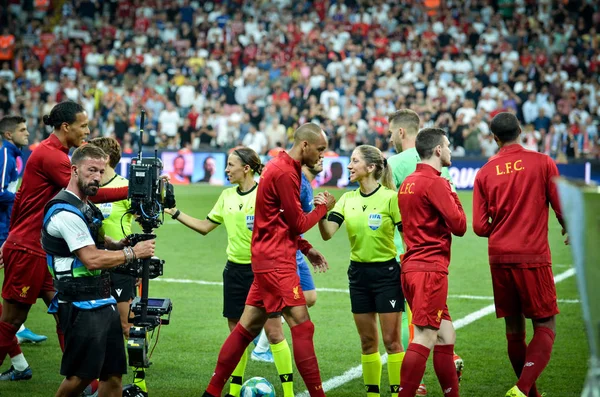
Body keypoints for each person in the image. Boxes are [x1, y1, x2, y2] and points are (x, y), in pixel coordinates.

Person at [0, 101, 128, 391]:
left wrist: (10, 236)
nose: (88, 130)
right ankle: (83, 382)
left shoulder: (48, 152)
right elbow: (90, 193)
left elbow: (20, 199)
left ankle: (86, 383)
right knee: (11, 320)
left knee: (65, 313)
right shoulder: (53, 157)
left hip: (42, 248)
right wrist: (136, 189)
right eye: (83, 125)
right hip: (31, 248)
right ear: (66, 127)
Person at [202, 123, 335, 397]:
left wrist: (305, 248)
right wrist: (323, 208)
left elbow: (275, 222)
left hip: (267, 257)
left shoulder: (281, 168)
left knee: (244, 329)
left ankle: (212, 391)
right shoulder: (285, 172)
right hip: (277, 262)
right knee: (302, 325)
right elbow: (297, 222)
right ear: (305, 145)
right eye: (321, 150)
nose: (323, 155)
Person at [167, 147, 296, 397]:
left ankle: (289, 393)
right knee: (237, 333)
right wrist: (176, 213)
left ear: (246, 168)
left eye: (230, 165)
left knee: (274, 332)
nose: (226, 169)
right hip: (234, 271)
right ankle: (234, 392)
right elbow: (205, 227)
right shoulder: (226, 196)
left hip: (265, 272)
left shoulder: (266, 194)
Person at [41, 144, 155, 397]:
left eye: (101, 171)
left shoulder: (86, 205)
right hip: (79, 303)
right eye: (91, 170)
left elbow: (97, 242)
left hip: (102, 298)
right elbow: (91, 259)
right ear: (74, 170)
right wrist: (133, 253)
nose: (97, 177)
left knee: (113, 375)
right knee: (80, 377)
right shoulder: (64, 211)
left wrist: (118, 245)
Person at [472, 113, 566, 397]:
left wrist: (502, 230)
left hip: (499, 256)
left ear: (494, 138)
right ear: (521, 131)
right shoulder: (542, 162)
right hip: (532, 254)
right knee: (545, 323)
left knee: (514, 328)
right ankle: (523, 389)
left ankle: (530, 394)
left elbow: (478, 226)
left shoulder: (485, 171)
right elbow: (560, 204)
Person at [318, 145, 404, 397]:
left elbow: (407, 237)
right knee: (368, 343)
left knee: (392, 342)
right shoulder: (347, 199)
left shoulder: (391, 197)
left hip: (387, 275)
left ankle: (398, 393)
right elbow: (327, 234)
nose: (349, 165)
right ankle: (373, 394)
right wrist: (322, 211)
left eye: (355, 161)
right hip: (358, 276)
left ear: (371, 167)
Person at [387, 109, 463, 396]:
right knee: (425, 336)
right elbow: (460, 225)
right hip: (430, 267)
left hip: (411, 262)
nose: (451, 151)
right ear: (438, 149)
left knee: (446, 335)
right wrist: (451, 191)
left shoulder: (407, 182)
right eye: (448, 146)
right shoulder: (436, 182)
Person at [87, 137, 149, 392]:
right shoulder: (89, 186)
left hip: (121, 264)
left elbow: (143, 220)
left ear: (106, 158)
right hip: (93, 261)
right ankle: (100, 376)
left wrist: (140, 256)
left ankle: (138, 378)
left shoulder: (125, 186)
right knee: (96, 326)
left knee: (127, 325)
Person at [0, 116, 37, 381]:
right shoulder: (4, 153)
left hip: (13, 234)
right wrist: (27, 198)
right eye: (22, 130)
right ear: (9, 134)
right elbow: (1, 190)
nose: (27, 133)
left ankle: (21, 365)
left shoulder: (13, 154)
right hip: (5, 235)